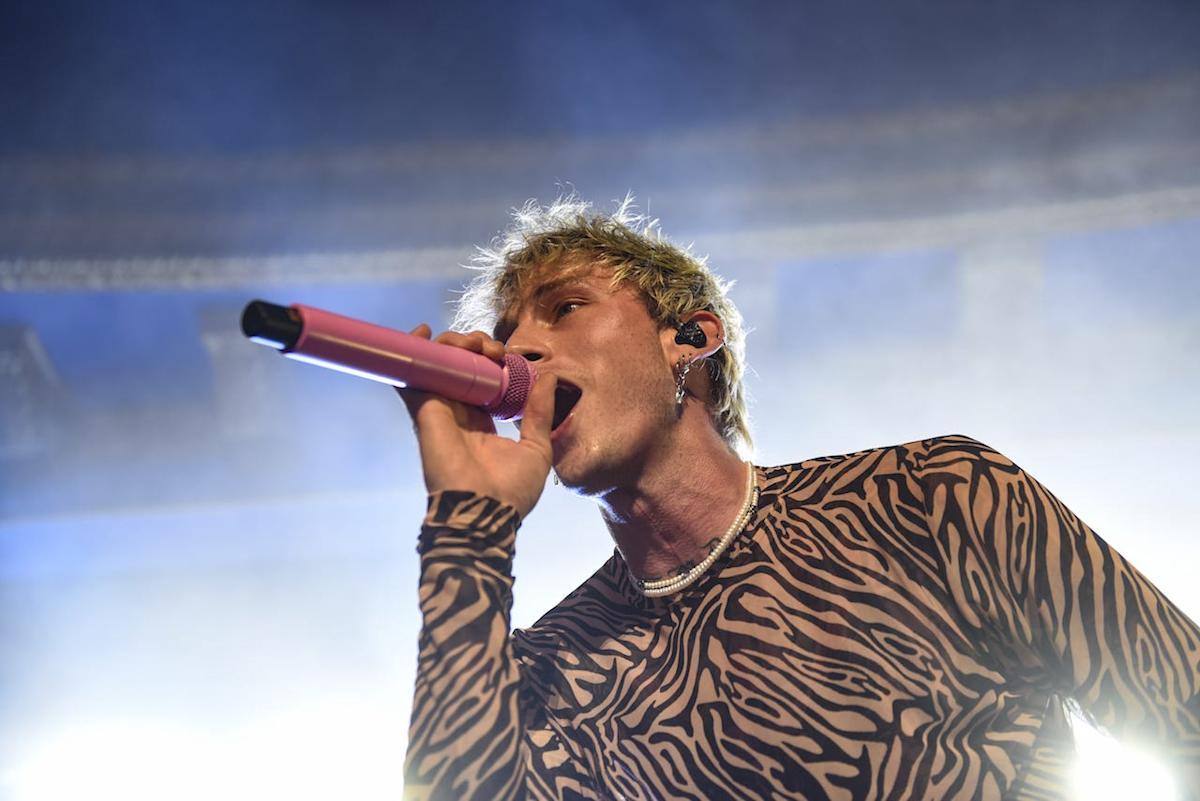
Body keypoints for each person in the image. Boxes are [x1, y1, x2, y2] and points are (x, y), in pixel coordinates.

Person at [397, 196, 1200, 800]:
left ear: (691, 338)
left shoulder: (936, 500)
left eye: (566, 307)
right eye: (509, 332)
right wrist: (470, 528)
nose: (521, 350)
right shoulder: (552, 671)